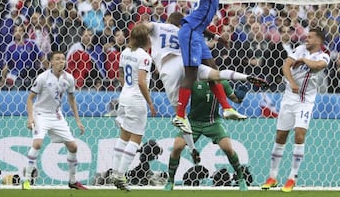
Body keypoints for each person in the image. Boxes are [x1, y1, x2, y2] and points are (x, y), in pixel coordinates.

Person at [143, 12, 268, 164]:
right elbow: (200, 28)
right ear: (181, 23)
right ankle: (244, 77)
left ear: (168, 20)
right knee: (216, 74)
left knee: (180, 116)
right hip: (187, 65)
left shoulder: (158, 26)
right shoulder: (186, 31)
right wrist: (216, 37)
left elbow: (144, 27)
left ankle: (192, 149)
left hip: (170, 72)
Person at [170, 0, 266, 139]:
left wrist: (217, 37)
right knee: (191, 75)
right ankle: (179, 116)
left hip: (197, 33)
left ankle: (227, 107)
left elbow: (200, 20)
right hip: (191, 33)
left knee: (213, 68)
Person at [261, 28, 330, 192]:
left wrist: (304, 60)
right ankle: (272, 177)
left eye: (311, 37)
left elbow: (318, 65)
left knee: (299, 135)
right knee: (280, 136)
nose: (307, 38)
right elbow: (286, 66)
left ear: (318, 41)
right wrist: (291, 83)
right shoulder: (299, 49)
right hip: (289, 97)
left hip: (306, 101)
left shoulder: (324, 55)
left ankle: (292, 178)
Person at [163, 80, 248, 191]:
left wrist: (240, 96)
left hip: (213, 122)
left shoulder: (222, 82)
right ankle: (170, 181)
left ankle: (241, 179)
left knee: (228, 148)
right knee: (177, 147)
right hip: (193, 123)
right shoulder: (193, 81)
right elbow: (182, 96)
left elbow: (235, 99)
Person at [22, 51, 87, 190]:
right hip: (41, 114)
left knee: (73, 147)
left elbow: (71, 99)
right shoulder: (42, 78)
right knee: (38, 143)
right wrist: (31, 118)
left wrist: (78, 120)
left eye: (63, 59)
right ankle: (26, 180)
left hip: (57, 116)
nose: (61, 61)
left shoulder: (68, 78)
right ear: (51, 61)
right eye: (57, 59)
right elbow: (30, 98)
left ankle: (73, 181)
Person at [111, 24, 156, 192]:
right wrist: (150, 103)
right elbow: (142, 82)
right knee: (135, 139)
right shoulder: (144, 57)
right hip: (136, 100)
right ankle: (121, 175)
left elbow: (120, 75)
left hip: (124, 97)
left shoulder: (125, 52)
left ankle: (115, 172)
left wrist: (126, 89)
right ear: (145, 38)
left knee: (124, 136)